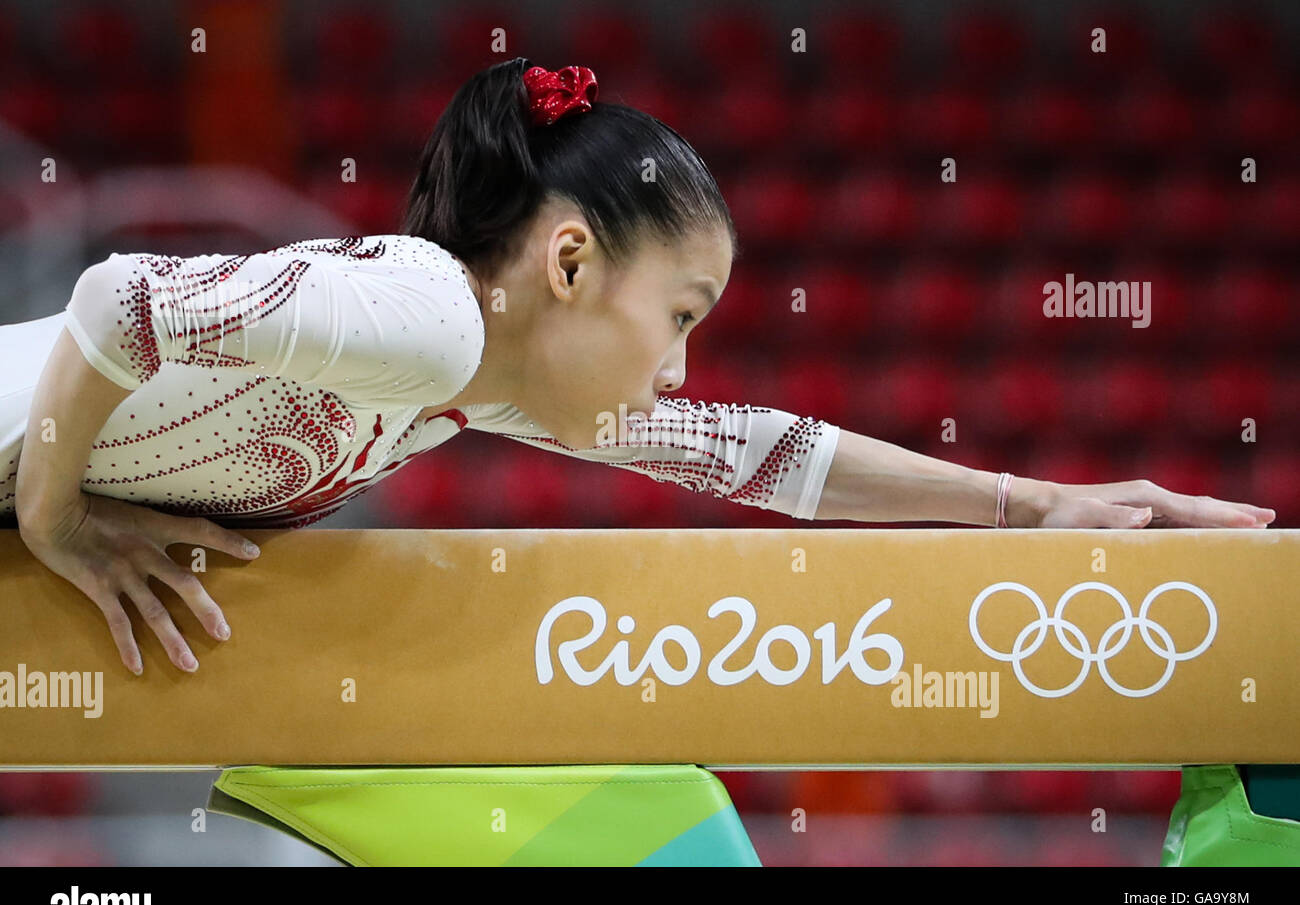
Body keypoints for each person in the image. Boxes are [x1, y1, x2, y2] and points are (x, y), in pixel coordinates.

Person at [4, 58, 1275, 677]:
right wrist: (57, 516)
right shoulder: (430, 317)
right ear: (567, 263)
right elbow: (122, 297)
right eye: (679, 313)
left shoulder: (474, 380)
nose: (679, 368)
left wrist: (1040, 505)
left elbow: (757, 453)